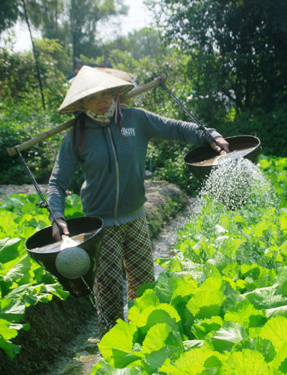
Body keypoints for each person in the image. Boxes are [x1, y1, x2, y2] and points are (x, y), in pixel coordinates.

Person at [48, 65, 229, 337]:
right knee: (108, 291)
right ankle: (112, 348)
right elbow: (57, 182)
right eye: (94, 97)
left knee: (144, 287)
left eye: (107, 94)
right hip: (100, 227)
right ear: (81, 103)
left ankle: (144, 343)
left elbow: (177, 128)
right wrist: (57, 215)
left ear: (115, 93)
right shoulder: (76, 136)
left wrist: (211, 135)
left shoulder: (135, 119)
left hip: (136, 219)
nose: (103, 101)